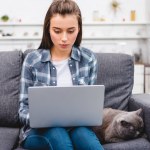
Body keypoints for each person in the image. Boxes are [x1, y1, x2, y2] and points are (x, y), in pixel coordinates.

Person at [18, 0, 104, 149]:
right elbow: (23, 109)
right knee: (58, 134)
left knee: (85, 137)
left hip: (78, 128)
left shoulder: (89, 59)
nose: (64, 38)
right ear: (48, 30)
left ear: (78, 30)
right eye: (57, 31)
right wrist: (41, 119)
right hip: (38, 131)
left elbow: (90, 107)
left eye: (70, 31)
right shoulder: (32, 61)